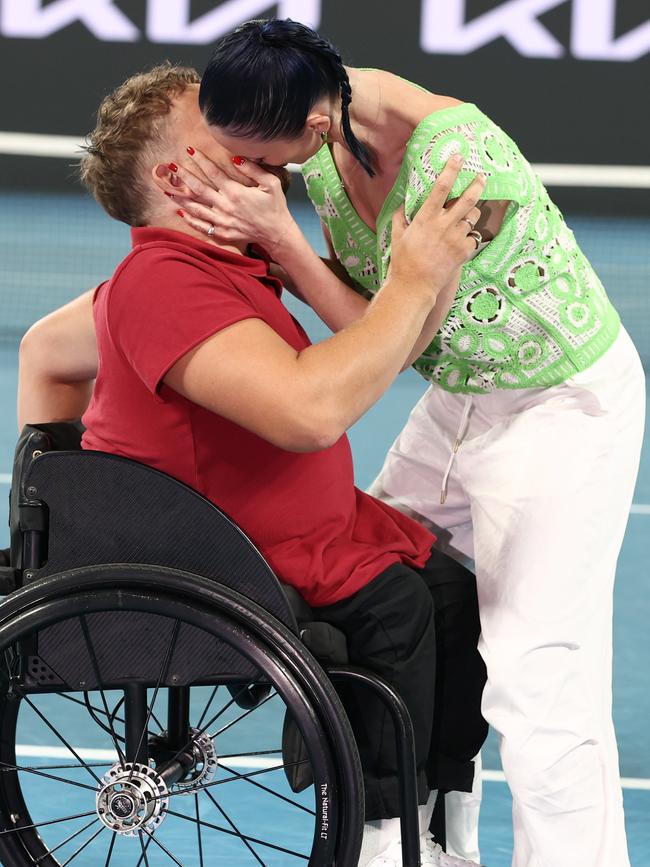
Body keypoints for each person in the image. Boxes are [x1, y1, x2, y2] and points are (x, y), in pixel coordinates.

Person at [161, 18, 645, 867]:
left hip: (560, 407)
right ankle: (421, 841)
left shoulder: (464, 174)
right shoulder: (326, 130)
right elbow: (377, 297)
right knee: (386, 588)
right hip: (463, 398)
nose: (254, 175)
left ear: (309, 129)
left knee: (540, 673)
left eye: (261, 161)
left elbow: (397, 340)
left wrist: (280, 243)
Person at [17, 64, 490, 867]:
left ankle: (445, 832)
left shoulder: (218, 268)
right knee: (397, 610)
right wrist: (61, 524)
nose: (258, 128)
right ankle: (379, 843)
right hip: (222, 550)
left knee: (449, 592)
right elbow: (309, 414)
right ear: (179, 175)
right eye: (228, 125)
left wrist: (428, 271)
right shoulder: (163, 280)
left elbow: (44, 352)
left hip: (288, 524)